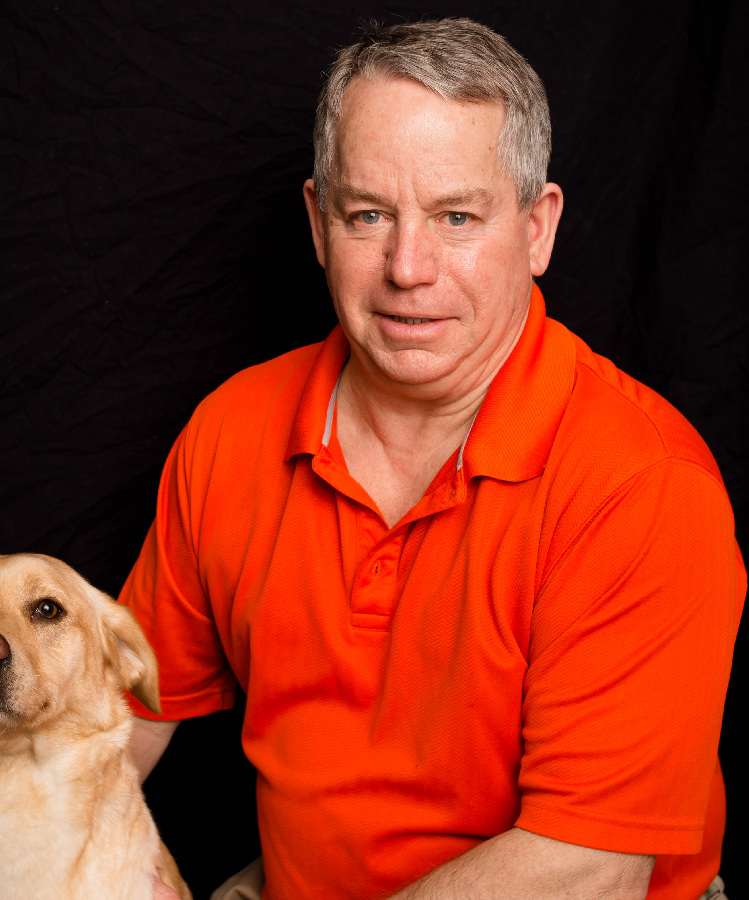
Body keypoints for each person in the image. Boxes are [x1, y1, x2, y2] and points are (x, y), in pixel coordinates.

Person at [120, 19, 745, 900]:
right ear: (317, 223)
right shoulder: (231, 431)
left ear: (537, 229)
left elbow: (589, 868)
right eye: (368, 215)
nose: (407, 268)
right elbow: (111, 726)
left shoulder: (640, 483)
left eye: (456, 217)